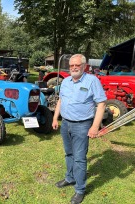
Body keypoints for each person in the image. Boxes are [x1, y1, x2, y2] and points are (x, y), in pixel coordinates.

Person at [52, 54, 107, 204]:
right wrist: (55, 117)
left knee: (80, 158)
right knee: (69, 153)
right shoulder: (66, 81)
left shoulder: (92, 81)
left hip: (82, 125)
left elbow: (101, 104)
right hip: (66, 123)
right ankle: (70, 178)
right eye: (71, 66)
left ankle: (80, 190)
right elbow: (61, 100)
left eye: (77, 65)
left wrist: (95, 126)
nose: (74, 68)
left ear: (84, 66)